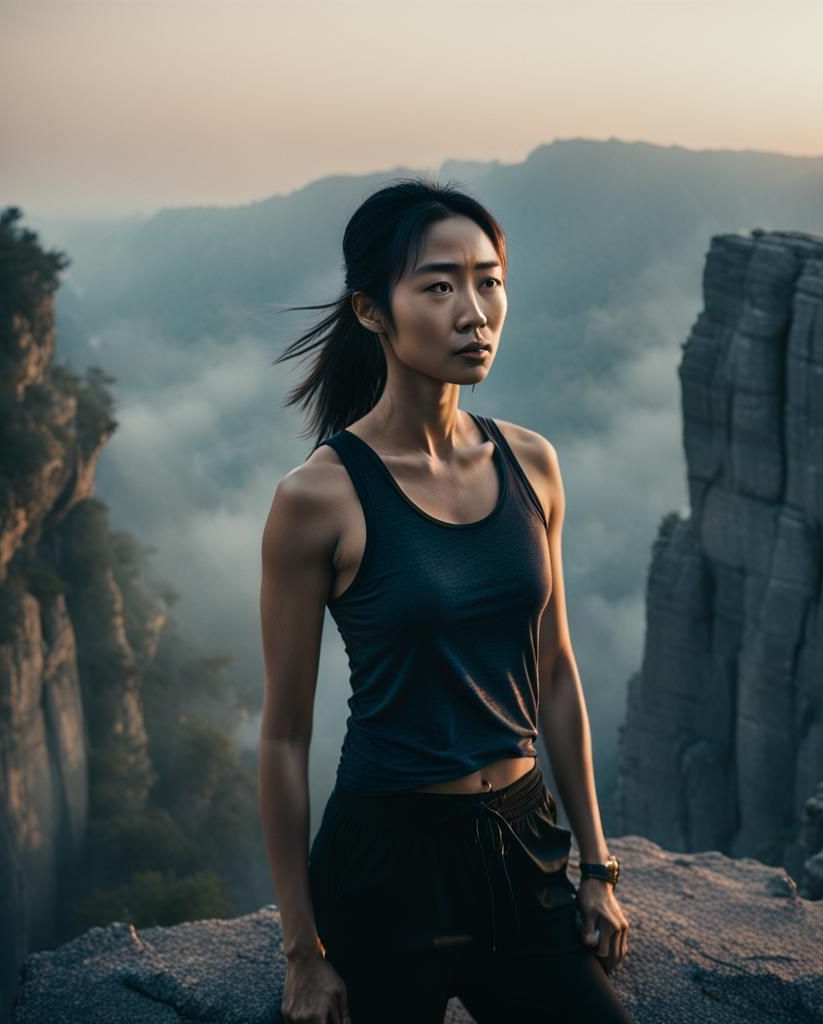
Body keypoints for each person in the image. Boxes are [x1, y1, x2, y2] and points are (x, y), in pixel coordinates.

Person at [259, 178, 632, 1024]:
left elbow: (555, 673)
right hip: (388, 865)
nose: (474, 312)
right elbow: (282, 736)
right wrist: (303, 951)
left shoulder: (531, 463)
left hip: (525, 849)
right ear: (371, 311)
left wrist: (597, 868)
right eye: (438, 286)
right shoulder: (318, 497)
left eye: (488, 281)